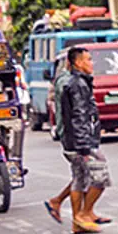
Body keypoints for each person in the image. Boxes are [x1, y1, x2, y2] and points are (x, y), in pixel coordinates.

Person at [59, 45, 109, 234]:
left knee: (79, 179)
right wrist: (84, 147)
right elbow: (79, 117)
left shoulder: (78, 82)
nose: (91, 63)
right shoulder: (78, 85)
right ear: (78, 63)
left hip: (75, 141)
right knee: (100, 177)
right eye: (88, 59)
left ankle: (77, 221)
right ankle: (84, 214)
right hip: (80, 143)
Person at [42, 53, 79, 224]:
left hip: (77, 135)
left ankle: (61, 204)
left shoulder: (72, 80)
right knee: (83, 176)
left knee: (83, 175)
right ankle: (77, 217)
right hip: (73, 136)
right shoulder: (66, 81)